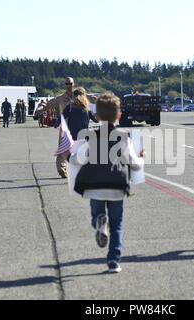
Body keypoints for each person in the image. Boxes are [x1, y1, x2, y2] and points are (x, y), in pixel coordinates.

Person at [71, 92, 145, 274]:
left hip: (94, 185)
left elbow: (78, 158)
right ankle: (113, 261)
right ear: (118, 115)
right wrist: (142, 158)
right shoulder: (123, 137)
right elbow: (133, 164)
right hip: (116, 185)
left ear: (97, 116)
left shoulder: (91, 136)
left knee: (97, 216)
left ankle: (99, 223)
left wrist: (70, 155)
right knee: (117, 224)